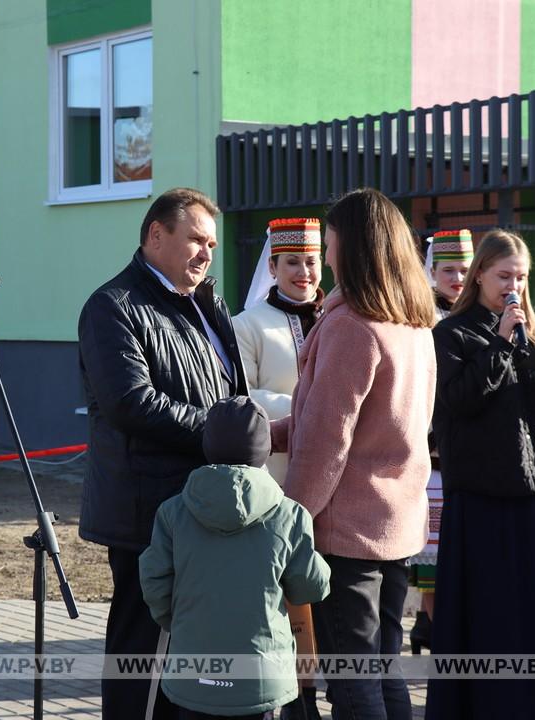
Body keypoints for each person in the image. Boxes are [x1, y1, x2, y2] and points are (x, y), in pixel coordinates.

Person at [78, 187, 248, 720]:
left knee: (191, 657)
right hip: (148, 514)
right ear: (156, 235)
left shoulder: (207, 304)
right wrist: (225, 431)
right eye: (196, 239)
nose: (206, 253)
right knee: (141, 655)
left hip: (205, 507)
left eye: (213, 245)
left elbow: (230, 392)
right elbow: (132, 403)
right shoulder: (112, 306)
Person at [271, 188, 437, 719]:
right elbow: (362, 423)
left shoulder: (351, 325)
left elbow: (327, 441)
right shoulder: (413, 324)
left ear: (353, 244)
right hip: (397, 523)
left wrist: (291, 519)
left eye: (331, 237)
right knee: (383, 669)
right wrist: (270, 432)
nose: (326, 248)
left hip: (347, 532)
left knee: (352, 681)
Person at [425, 229, 535, 720]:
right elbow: (458, 402)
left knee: (534, 615)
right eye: (504, 275)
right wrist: (496, 344)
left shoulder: (533, 335)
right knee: (490, 614)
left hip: (533, 492)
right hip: (483, 496)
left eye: (521, 276)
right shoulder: (451, 334)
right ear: (479, 277)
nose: (513, 285)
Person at [140, 396, 331, 720]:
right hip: (261, 680)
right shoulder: (290, 515)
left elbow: (154, 582)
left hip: (192, 675)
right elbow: (310, 588)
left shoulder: (173, 513)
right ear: (265, 449)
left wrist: (182, 625)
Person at [232, 218, 325, 719]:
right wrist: (308, 403)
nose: (304, 271)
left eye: (311, 260)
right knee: (285, 593)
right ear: (273, 266)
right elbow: (239, 395)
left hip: (334, 476)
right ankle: (289, 693)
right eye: (292, 262)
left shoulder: (336, 314)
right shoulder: (249, 323)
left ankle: (317, 688)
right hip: (277, 475)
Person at [409, 228, 475, 655]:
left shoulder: (478, 316)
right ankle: (436, 630)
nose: (457, 277)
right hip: (432, 455)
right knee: (433, 561)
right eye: (448, 269)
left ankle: (435, 629)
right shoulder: (421, 319)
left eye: (464, 270)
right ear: (431, 272)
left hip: (467, 455)